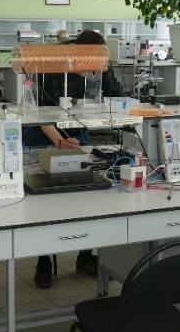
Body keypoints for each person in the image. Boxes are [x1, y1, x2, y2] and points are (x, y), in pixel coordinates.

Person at [24, 29, 124, 288]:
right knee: (45, 203)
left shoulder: (100, 63)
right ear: (77, 54)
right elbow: (38, 112)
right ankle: (44, 260)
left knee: (86, 198)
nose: (90, 72)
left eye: (96, 67)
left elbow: (116, 98)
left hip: (78, 136)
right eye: (86, 66)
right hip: (43, 135)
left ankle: (85, 256)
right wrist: (59, 141)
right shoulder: (51, 64)